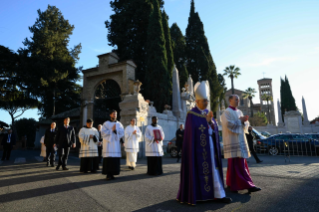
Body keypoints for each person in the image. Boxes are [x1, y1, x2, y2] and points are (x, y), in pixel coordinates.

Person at [176, 81, 232, 205]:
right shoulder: (191, 115)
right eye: (204, 101)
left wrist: (211, 123)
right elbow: (191, 134)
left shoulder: (208, 113)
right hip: (197, 151)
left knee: (215, 170)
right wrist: (205, 122)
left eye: (207, 100)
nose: (206, 103)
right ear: (197, 102)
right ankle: (197, 195)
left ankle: (219, 194)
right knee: (198, 170)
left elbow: (214, 130)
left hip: (211, 149)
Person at [221, 94, 261, 193]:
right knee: (236, 164)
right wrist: (240, 121)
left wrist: (245, 123)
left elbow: (244, 125)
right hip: (233, 141)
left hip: (240, 141)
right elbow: (228, 124)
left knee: (240, 164)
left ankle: (233, 184)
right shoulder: (226, 112)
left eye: (238, 100)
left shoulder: (239, 112)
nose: (238, 101)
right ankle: (246, 185)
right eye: (236, 99)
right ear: (230, 100)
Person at [101, 110, 125, 180]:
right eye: (113, 114)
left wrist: (115, 131)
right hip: (108, 145)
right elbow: (103, 133)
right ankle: (108, 174)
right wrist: (111, 130)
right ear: (110, 115)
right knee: (109, 159)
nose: (115, 115)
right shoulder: (106, 123)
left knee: (114, 160)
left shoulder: (119, 124)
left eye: (116, 114)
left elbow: (122, 133)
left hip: (115, 145)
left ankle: (113, 174)